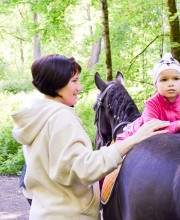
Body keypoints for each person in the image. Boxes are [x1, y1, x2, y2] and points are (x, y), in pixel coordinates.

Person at [11, 54, 169, 219]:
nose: (79, 87)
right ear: (56, 83)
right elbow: (84, 168)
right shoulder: (60, 118)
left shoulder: (38, 116)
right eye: (74, 81)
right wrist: (133, 139)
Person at [116, 52, 180, 141]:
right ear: (155, 85)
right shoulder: (151, 103)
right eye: (164, 80)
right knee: (121, 150)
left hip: (168, 138)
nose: (170, 84)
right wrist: (178, 124)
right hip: (134, 135)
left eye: (176, 79)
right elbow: (153, 129)